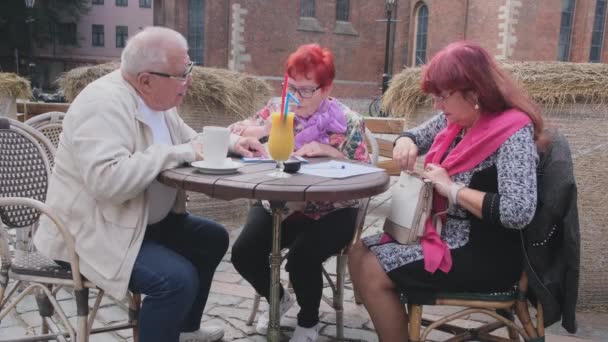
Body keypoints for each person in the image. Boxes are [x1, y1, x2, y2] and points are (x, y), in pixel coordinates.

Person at [33, 26, 265, 342]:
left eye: (189, 70)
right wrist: (177, 153)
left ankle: (185, 331)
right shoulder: (102, 105)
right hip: (90, 231)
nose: (190, 81)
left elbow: (191, 140)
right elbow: (108, 181)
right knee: (175, 280)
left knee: (211, 238)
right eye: (182, 74)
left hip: (137, 223)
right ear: (146, 80)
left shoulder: (157, 104)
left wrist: (233, 143)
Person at [348, 41, 545, 341]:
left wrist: (452, 190)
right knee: (358, 250)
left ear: (475, 92)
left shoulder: (513, 133)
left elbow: (518, 211)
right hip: (445, 234)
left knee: (373, 269)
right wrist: (405, 142)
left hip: (486, 254)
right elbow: (416, 134)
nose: (437, 105)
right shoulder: (455, 119)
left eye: (442, 96)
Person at [229, 43, 370, 342]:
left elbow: (365, 173)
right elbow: (235, 134)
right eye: (291, 87)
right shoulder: (276, 110)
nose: (296, 96)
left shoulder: (348, 121)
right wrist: (264, 127)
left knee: (302, 259)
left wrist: (331, 151)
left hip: (333, 210)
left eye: (306, 90)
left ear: (326, 88)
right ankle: (279, 299)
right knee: (243, 253)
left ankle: (308, 321)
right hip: (280, 204)